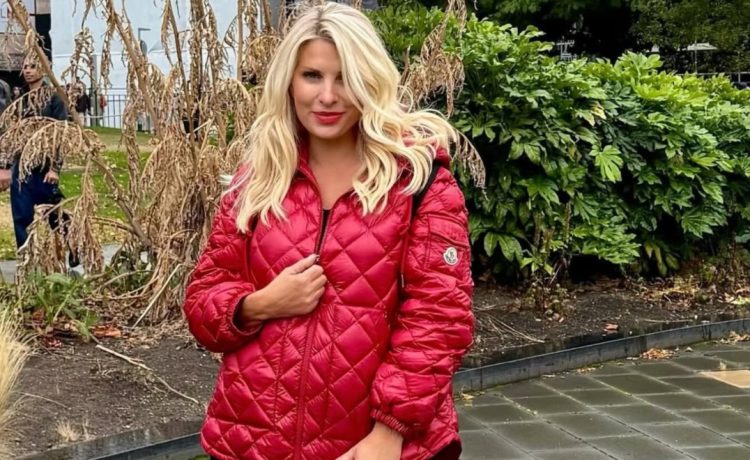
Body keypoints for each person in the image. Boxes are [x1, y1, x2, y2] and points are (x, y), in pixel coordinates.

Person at [183, 3, 474, 460]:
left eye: (345, 78)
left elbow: (439, 319)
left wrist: (389, 432)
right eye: (312, 76)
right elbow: (203, 301)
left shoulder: (418, 183)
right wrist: (260, 304)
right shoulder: (258, 181)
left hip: (372, 446)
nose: (327, 96)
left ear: (369, 81)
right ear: (289, 82)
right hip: (255, 441)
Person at [0, 57, 79, 267]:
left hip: (44, 165)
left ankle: (74, 245)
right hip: (22, 165)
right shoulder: (20, 99)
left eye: (33, 66)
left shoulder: (54, 98)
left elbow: (60, 134)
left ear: (44, 69)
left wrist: (55, 168)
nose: (28, 71)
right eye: (25, 67)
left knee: (53, 211)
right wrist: (5, 166)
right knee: (21, 216)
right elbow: (10, 134)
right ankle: (26, 260)